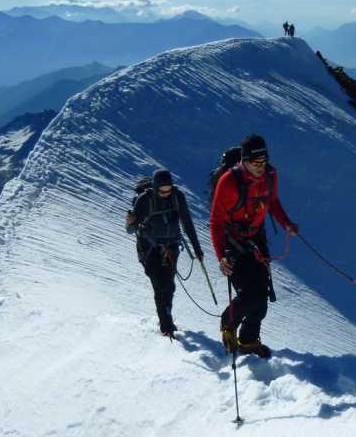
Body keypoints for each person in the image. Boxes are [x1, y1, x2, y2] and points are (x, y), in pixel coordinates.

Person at [210, 134, 298, 357]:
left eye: (263, 162)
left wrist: (286, 222)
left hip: (256, 239)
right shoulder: (228, 182)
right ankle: (228, 322)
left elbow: (272, 202)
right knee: (252, 295)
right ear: (244, 160)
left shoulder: (270, 174)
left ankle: (248, 342)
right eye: (255, 163)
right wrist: (221, 256)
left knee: (262, 298)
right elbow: (216, 222)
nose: (260, 167)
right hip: (233, 242)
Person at [126, 169, 203, 337]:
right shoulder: (144, 200)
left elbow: (187, 222)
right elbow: (131, 229)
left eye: (169, 189)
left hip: (172, 246)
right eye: (162, 191)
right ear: (154, 188)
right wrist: (130, 223)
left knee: (169, 285)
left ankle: (166, 316)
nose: (166, 193)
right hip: (150, 249)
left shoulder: (178, 197)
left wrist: (197, 248)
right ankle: (166, 325)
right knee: (160, 285)